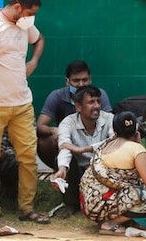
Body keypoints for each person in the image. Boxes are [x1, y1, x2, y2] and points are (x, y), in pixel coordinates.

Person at [0, 0, 50, 229]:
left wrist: (33, 62)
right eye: (29, 12)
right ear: (17, 7)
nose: (31, 18)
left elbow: (40, 40)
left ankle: (27, 208)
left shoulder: (25, 25)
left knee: (28, 158)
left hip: (22, 104)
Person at [79, 112, 146, 235]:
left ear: (114, 130)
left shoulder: (105, 144)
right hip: (105, 205)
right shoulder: (136, 149)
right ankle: (111, 223)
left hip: (90, 205)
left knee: (138, 187)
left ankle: (115, 220)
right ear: (136, 128)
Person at [36, 60, 113, 172]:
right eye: (76, 80)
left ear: (90, 79)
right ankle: (61, 171)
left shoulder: (99, 95)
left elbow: (112, 128)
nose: (81, 84)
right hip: (67, 139)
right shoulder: (57, 97)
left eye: (85, 80)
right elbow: (40, 125)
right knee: (45, 143)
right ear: (67, 81)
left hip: (97, 143)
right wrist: (53, 130)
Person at [49, 86, 114, 218]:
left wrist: (84, 149)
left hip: (103, 170)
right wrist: (62, 169)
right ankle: (71, 204)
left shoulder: (109, 119)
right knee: (61, 161)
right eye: (91, 102)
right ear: (79, 107)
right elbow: (64, 147)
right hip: (80, 172)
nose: (96, 106)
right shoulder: (67, 123)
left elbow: (115, 142)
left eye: (98, 101)